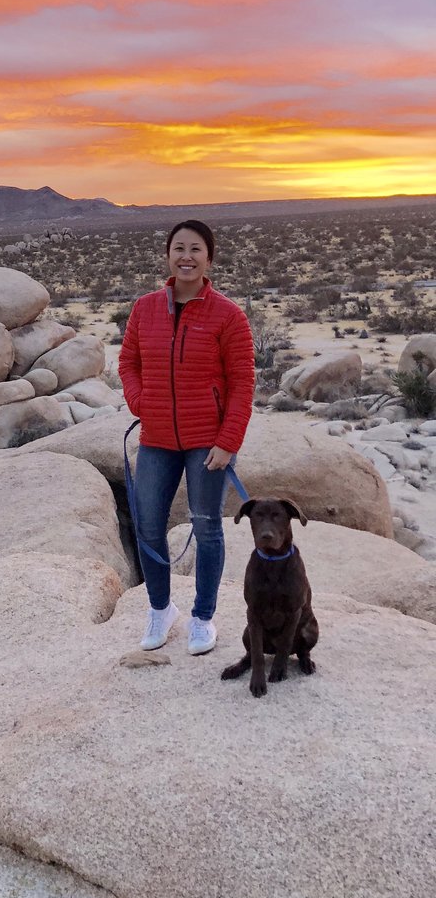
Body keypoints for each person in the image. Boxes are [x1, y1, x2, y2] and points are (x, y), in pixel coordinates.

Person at [118, 220, 255, 655]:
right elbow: (128, 362)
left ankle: (203, 617)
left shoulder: (228, 315)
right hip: (157, 437)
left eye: (196, 249)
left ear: (209, 259)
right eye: (179, 248)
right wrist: (141, 402)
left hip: (206, 442)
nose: (187, 256)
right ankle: (161, 610)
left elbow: (242, 383)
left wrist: (228, 439)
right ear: (167, 256)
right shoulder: (145, 309)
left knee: (207, 527)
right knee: (149, 527)